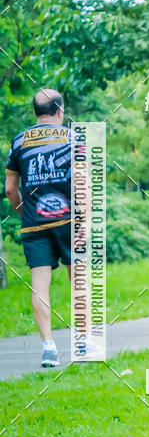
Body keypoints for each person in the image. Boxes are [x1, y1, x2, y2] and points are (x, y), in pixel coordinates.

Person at [5, 89, 74, 367]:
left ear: (36, 111)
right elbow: (86, 185)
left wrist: (26, 213)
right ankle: (84, 340)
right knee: (79, 282)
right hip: (70, 222)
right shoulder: (74, 138)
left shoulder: (19, 142)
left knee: (40, 286)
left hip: (34, 226)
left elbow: (10, 189)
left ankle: (48, 347)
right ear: (59, 110)